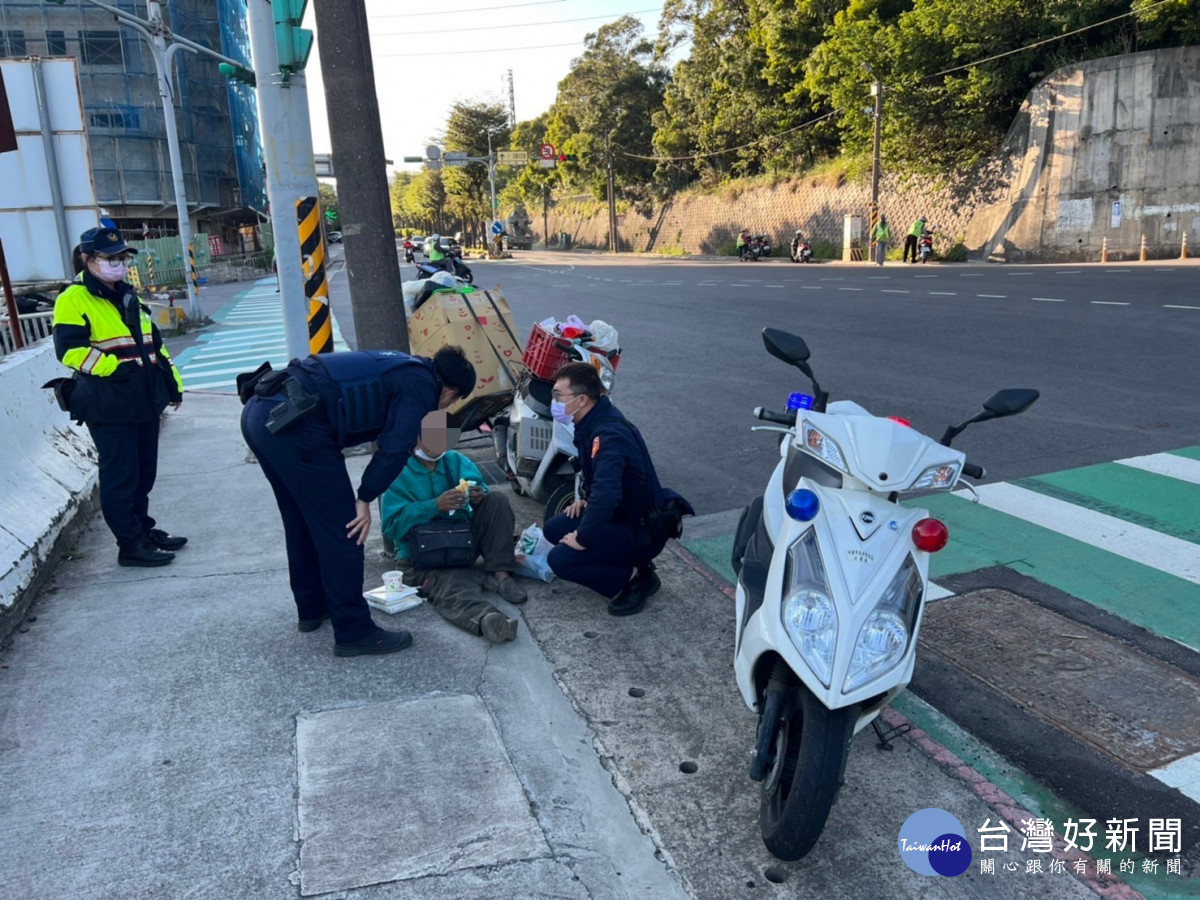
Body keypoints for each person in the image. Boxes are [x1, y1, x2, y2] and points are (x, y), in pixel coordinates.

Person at [239, 346, 476, 657]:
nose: (445, 407)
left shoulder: (404, 364)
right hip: (296, 425)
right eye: (453, 401)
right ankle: (354, 631)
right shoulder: (422, 385)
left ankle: (313, 609)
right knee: (345, 531)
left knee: (301, 521)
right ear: (450, 390)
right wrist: (364, 497)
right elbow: (395, 447)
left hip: (262, 412)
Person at [50, 226, 187, 568]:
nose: (118, 264)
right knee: (121, 477)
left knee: (143, 474)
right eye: (110, 258)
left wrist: (172, 383)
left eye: (122, 258)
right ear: (88, 260)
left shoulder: (128, 294)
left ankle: (142, 530)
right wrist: (114, 369)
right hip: (109, 403)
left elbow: (154, 346)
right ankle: (130, 545)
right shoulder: (73, 298)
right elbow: (69, 350)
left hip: (142, 400)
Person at [380, 411, 526, 644]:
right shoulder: (397, 472)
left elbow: (477, 484)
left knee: (496, 500)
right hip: (422, 557)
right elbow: (391, 527)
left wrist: (478, 493)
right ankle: (488, 618)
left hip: (460, 543)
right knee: (452, 583)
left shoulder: (454, 461)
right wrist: (433, 506)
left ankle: (500, 574)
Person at [542, 363, 670, 617]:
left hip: (641, 529)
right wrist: (586, 500)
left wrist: (582, 538)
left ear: (581, 400)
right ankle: (627, 559)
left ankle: (635, 577)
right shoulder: (594, 421)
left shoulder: (608, 434)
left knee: (561, 560)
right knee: (554, 529)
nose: (554, 401)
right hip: (623, 516)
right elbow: (604, 483)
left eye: (558, 395)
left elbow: (608, 494)